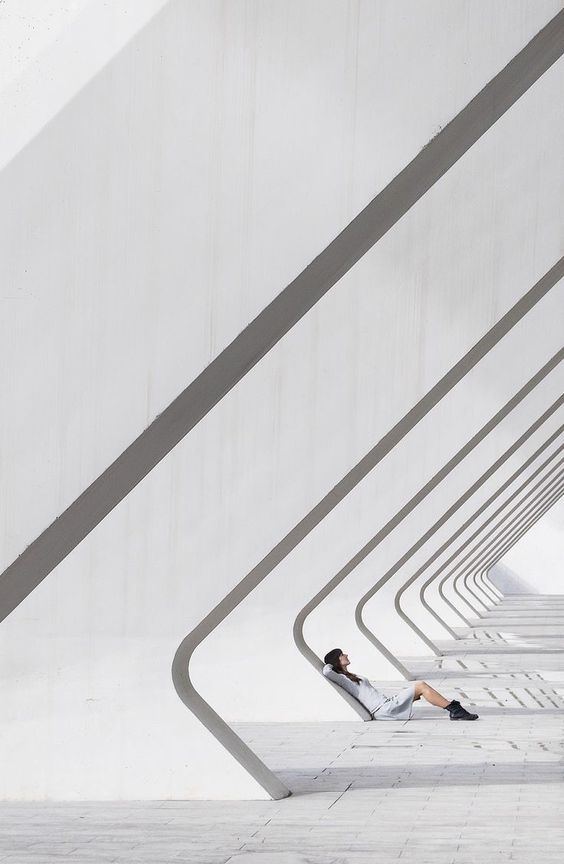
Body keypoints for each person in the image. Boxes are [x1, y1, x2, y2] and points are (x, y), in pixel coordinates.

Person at [323, 648, 478, 721]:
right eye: (342, 655)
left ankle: (454, 709)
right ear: (337, 660)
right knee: (421, 686)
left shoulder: (351, 676)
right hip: (383, 709)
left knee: (419, 691)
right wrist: (330, 665)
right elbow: (327, 672)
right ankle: (454, 710)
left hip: (386, 704)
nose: (346, 655)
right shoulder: (343, 678)